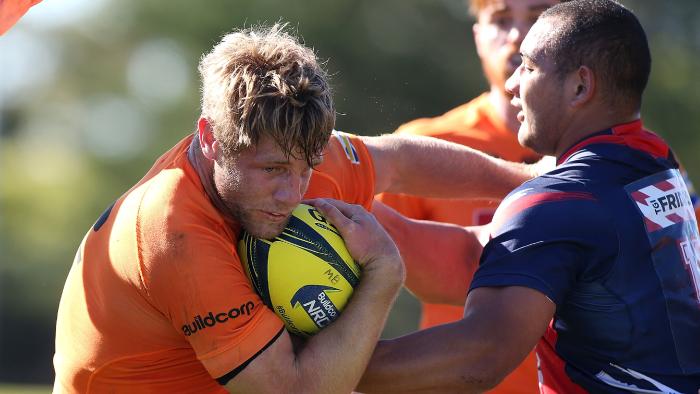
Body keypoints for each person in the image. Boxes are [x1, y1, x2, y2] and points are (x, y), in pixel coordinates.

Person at [53, 24, 541, 393]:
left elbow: (401, 160)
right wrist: (382, 277)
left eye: (305, 168)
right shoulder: (174, 232)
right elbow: (295, 390)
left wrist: (534, 180)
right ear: (210, 138)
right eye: (271, 171)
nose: (292, 193)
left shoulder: (290, 145)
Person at [358, 1, 700, 392]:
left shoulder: (559, 200)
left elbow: (480, 356)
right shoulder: (656, 161)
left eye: (530, 67)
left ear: (580, 86)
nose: (512, 82)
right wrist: (348, 188)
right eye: (502, 20)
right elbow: (476, 257)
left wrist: (316, 368)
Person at [377, 1, 557, 391]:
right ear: (478, 37)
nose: (518, 36)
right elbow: (360, 276)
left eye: (540, 16)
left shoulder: (629, 155)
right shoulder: (421, 148)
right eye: (501, 19)